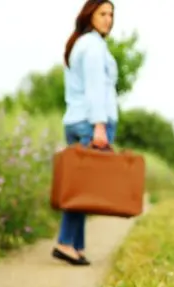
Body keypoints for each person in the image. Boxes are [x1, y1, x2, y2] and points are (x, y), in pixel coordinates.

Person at [52, 0, 119, 266]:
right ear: (90, 15)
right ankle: (65, 242)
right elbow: (94, 88)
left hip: (77, 119)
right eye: (102, 13)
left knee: (82, 184)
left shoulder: (81, 43)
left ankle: (76, 246)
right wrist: (99, 125)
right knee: (83, 187)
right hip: (90, 123)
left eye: (111, 14)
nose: (108, 19)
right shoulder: (92, 46)